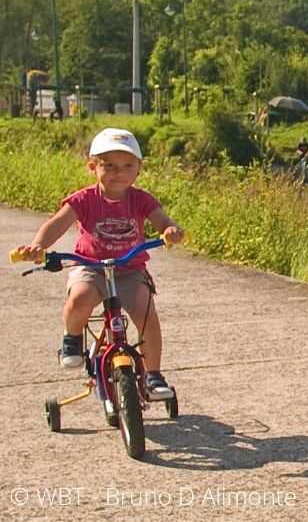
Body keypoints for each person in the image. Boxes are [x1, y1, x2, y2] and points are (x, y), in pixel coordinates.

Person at [12, 128, 186, 401]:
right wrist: (39, 246)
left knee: (147, 316)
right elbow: (57, 223)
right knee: (80, 299)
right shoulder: (84, 199)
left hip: (130, 269)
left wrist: (171, 230)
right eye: (110, 166)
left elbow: (162, 220)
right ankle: (71, 339)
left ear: (138, 169)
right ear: (93, 167)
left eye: (128, 166)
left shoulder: (140, 199)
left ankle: (153, 374)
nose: (120, 172)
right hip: (90, 266)